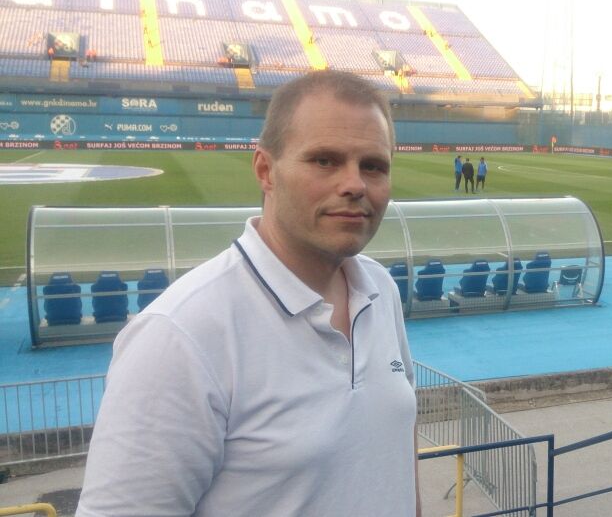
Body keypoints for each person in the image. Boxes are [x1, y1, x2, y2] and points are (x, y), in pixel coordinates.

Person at [77, 71, 420, 517]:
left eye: (373, 166)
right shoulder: (179, 336)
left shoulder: (379, 290)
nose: (355, 184)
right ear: (265, 171)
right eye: (324, 160)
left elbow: (397, 448)